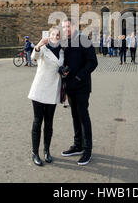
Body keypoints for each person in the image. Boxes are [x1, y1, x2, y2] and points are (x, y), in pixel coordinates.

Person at [61, 18, 98, 166]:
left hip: (82, 86)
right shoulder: (65, 42)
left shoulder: (84, 39)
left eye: (68, 27)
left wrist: (79, 76)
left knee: (83, 116)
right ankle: (78, 145)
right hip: (70, 85)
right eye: (64, 27)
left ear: (75, 26)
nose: (66, 29)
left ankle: (87, 149)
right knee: (75, 115)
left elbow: (93, 62)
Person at [27, 27, 64, 166]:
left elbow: (61, 66)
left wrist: (64, 71)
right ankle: (35, 152)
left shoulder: (61, 51)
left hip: (53, 90)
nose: (55, 37)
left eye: (57, 35)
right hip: (40, 89)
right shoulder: (43, 48)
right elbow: (33, 58)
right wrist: (37, 46)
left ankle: (47, 151)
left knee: (49, 123)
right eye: (53, 34)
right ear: (49, 36)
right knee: (38, 121)